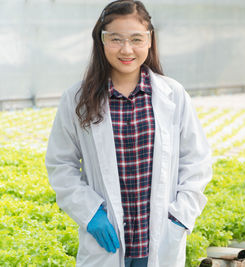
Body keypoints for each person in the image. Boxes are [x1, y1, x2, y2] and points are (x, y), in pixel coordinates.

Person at [45, 1, 212, 266]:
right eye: (116, 39)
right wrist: (90, 214)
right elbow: (60, 164)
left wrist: (180, 218)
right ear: (101, 41)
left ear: (149, 40)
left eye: (136, 39)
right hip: (106, 242)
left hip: (159, 241)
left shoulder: (173, 95)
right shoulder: (77, 99)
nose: (126, 49)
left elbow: (196, 161)